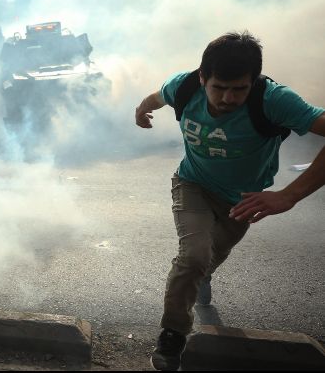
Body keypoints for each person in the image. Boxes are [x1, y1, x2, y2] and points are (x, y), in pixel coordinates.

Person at [134, 31, 325, 371]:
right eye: (219, 87)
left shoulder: (274, 100)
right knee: (194, 256)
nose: (227, 98)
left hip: (242, 201)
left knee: (206, 260)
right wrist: (141, 110)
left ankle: (201, 277)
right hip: (192, 183)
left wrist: (289, 195)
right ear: (202, 78)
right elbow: (157, 96)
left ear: (254, 82)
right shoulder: (183, 87)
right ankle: (173, 334)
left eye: (239, 89)